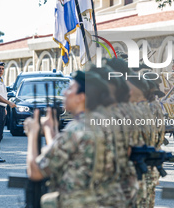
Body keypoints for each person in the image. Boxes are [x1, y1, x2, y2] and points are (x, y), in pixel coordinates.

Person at [24, 71, 126, 207]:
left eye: (70, 88)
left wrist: (32, 133)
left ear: (81, 97)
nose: (65, 93)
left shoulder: (76, 128)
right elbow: (68, 155)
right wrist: (50, 130)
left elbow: (36, 172)